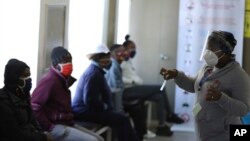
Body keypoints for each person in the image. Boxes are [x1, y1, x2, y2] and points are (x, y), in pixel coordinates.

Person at [161, 30, 250, 141]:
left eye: (212, 50)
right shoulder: (208, 67)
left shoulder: (239, 76)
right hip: (204, 133)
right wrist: (176, 75)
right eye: (207, 48)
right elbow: (194, 85)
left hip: (224, 135)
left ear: (225, 51)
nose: (207, 53)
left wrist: (220, 98)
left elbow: (244, 110)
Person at [31, 47, 103, 141]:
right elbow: (35, 106)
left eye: (70, 61)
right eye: (65, 60)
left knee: (100, 139)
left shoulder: (62, 80)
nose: (69, 64)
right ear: (56, 64)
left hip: (66, 123)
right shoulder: (49, 80)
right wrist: (49, 126)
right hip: (54, 126)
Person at [71, 44, 140, 141]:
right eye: (107, 58)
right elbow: (90, 100)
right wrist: (105, 107)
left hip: (87, 109)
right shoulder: (94, 74)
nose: (109, 61)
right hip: (84, 111)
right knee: (123, 120)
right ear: (100, 59)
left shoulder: (97, 71)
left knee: (122, 118)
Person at [121, 35, 184, 136]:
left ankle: (162, 126)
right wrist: (132, 81)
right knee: (160, 87)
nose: (133, 50)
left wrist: (136, 80)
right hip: (127, 90)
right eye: (131, 48)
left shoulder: (128, 61)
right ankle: (170, 114)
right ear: (124, 49)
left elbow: (133, 76)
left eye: (135, 48)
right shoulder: (121, 61)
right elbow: (118, 78)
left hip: (134, 88)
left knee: (159, 97)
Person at [0, 58, 53, 141]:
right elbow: (15, 134)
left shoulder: (23, 96)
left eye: (29, 75)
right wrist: (43, 138)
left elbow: (33, 120)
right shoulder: (3, 101)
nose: (29, 79)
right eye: (25, 76)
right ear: (14, 78)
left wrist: (42, 134)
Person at [105, 44, 147, 140]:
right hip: (113, 102)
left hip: (117, 99)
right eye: (121, 51)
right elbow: (115, 89)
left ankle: (140, 135)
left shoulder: (117, 65)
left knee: (137, 105)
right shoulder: (113, 67)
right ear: (113, 54)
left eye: (125, 51)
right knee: (135, 108)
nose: (125, 53)